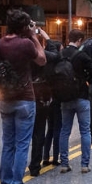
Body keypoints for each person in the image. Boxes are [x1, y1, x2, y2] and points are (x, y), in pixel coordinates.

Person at [0, 9, 47, 184]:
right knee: (22, 144)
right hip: (25, 97)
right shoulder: (25, 43)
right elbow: (42, 59)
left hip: (6, 97)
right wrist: (34, 36)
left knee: (8, 144)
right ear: (24, 27)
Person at [58, 29, 92, 174]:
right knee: (85, 131)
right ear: (80, 40)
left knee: (64, 131)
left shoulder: (60, 54)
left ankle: (64, 163)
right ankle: (84, 164)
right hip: (81, 96)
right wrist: (86, 78)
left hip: (64, 97)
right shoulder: (82, 55)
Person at [28, 38, 62, 176]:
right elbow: (55, 55)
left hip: (20, 93)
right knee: (39, 132)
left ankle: (11, 172)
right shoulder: (40, 54)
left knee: (17, 137)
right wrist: (45, 38)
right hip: (39, 95)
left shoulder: (14, 51)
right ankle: (35, 165)